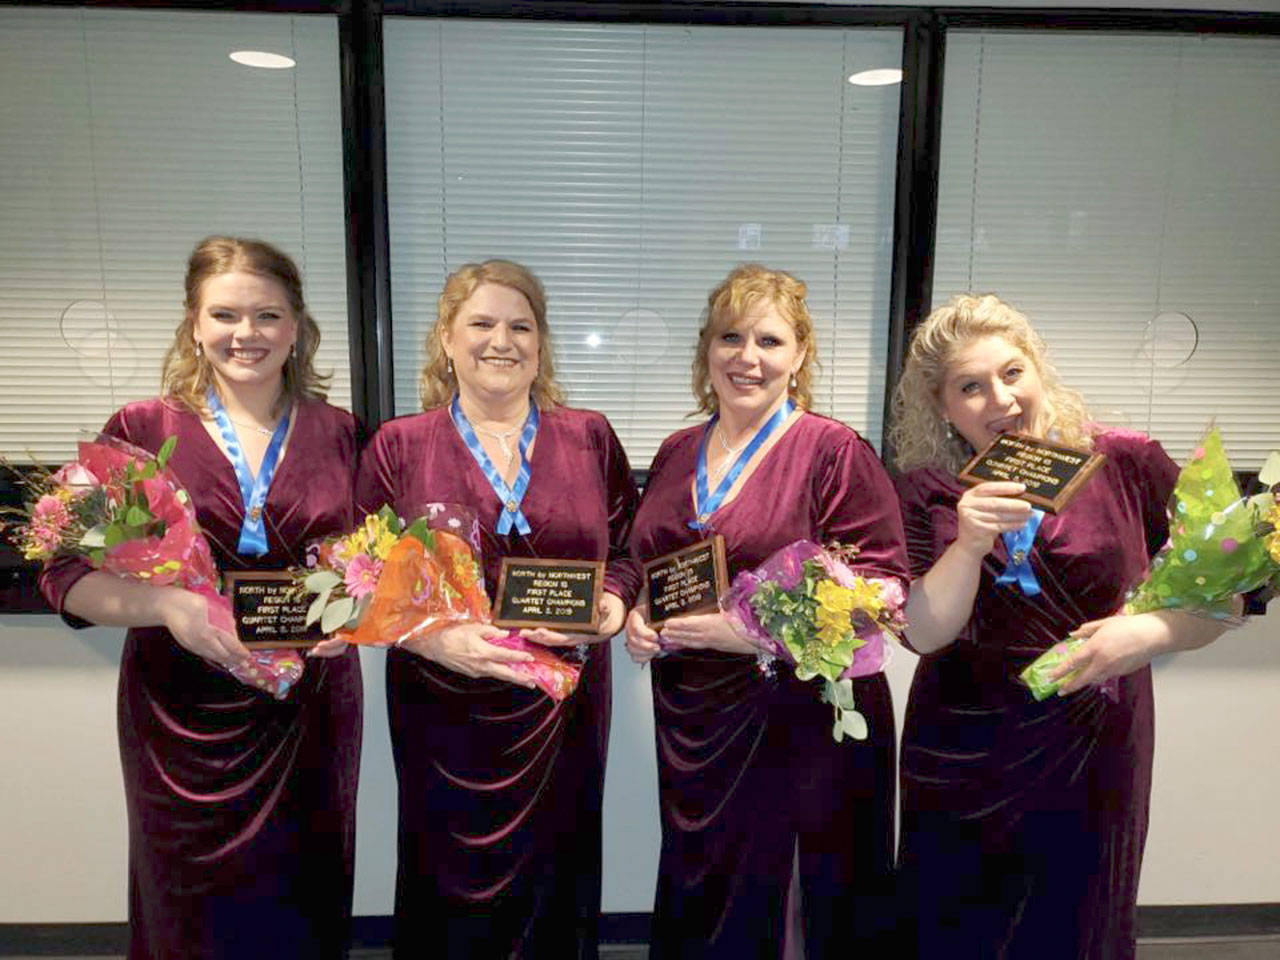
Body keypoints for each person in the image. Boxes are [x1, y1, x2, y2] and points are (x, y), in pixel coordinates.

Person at [38, 236, 362, 960]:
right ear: (194, 323)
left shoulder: (340, 432)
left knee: (304, 892)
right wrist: (169, 608)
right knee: (187, 900)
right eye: (226, 314)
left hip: (308, 708)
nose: (246, 334)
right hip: (181, 713)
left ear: (298, 327)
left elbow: (373, 564)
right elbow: (64, 573)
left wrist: (359, 614)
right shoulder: (140, 428)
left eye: (268, 315)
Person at [889, 293, 1235, 960]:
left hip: (1095, 741)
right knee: (952, 924)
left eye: (1012, 372)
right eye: (971, 386)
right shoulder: (928, 487)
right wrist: (965, 543)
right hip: (961, 747)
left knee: (1076, 923)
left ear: (1037, 368)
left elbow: (1225, 595)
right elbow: (924, 635)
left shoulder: (1128, 462)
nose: (1001, 399)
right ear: (943, 406)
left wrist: (1148, 635)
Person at [623, 264, 908, 958]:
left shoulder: (832, 451)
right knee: (705, 884)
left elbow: (882, 588)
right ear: (707, 349)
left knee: (789, 900)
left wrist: (749, 632)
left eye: (770, 341)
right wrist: (638, 610)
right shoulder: (674, 451)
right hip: (692, 716)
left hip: (799, 719)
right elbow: (652, 556)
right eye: (731, 337)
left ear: (799, 356)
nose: (747, 357)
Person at [356, 259, 639, 959]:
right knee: (447, 872)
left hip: (563, 703)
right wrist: (429, 640)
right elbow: (357, 574)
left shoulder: (589, 437)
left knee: (561, 863)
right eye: (480, 323)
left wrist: (609, 606)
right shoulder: (400, 445)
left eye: (520, 325)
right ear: (447, 340)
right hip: (442, 703)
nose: (500, 340)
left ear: (540, 346)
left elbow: (633, 546)